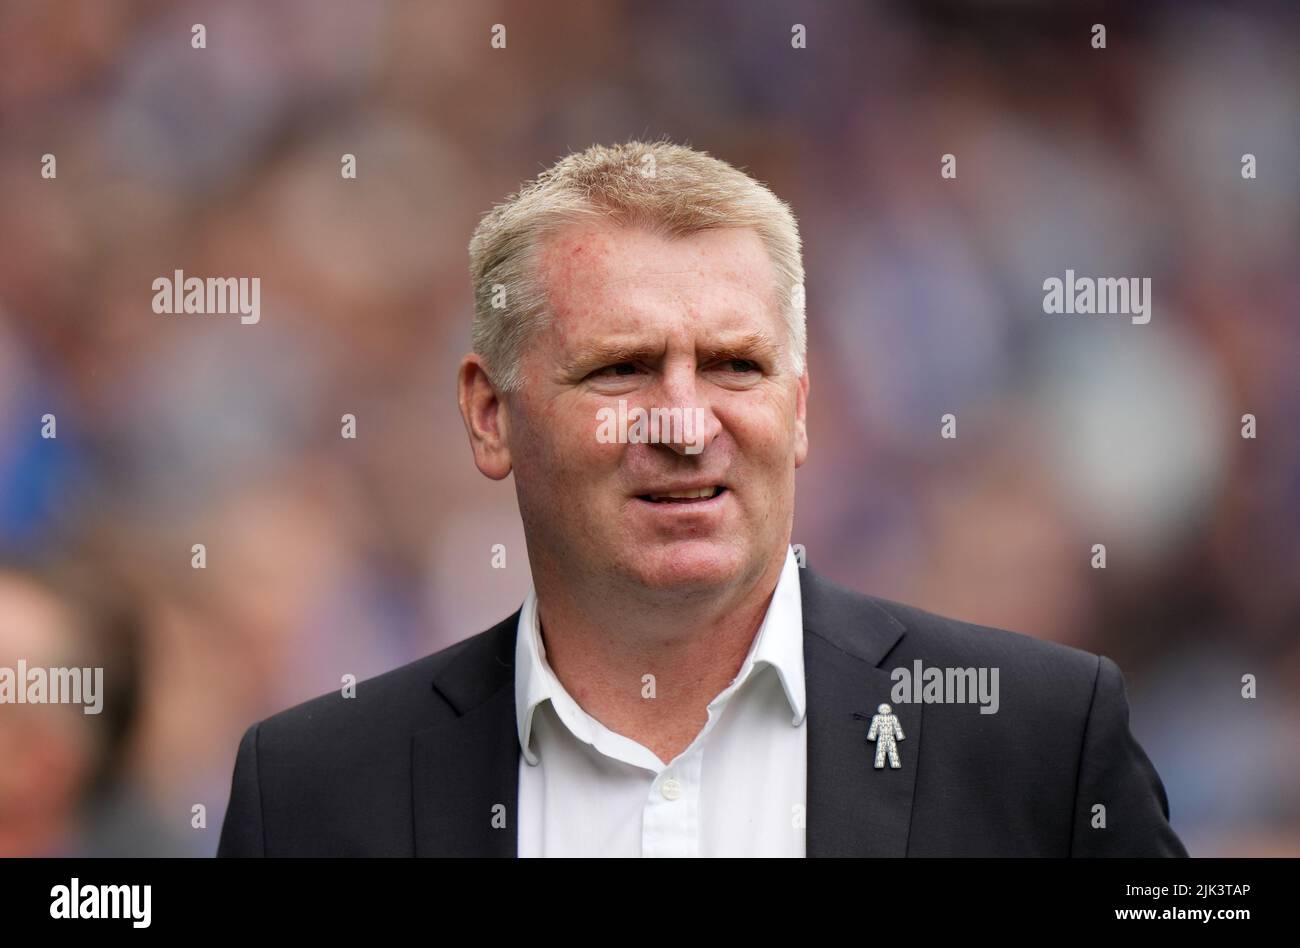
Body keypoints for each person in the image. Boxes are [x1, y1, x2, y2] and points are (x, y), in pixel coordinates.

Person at [217, 140, 1187, 857]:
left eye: (734, 365)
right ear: (489, 416)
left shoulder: (1038, 742)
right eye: (622, 368)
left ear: (798, 411)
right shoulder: (313, 796)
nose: (684, 425)